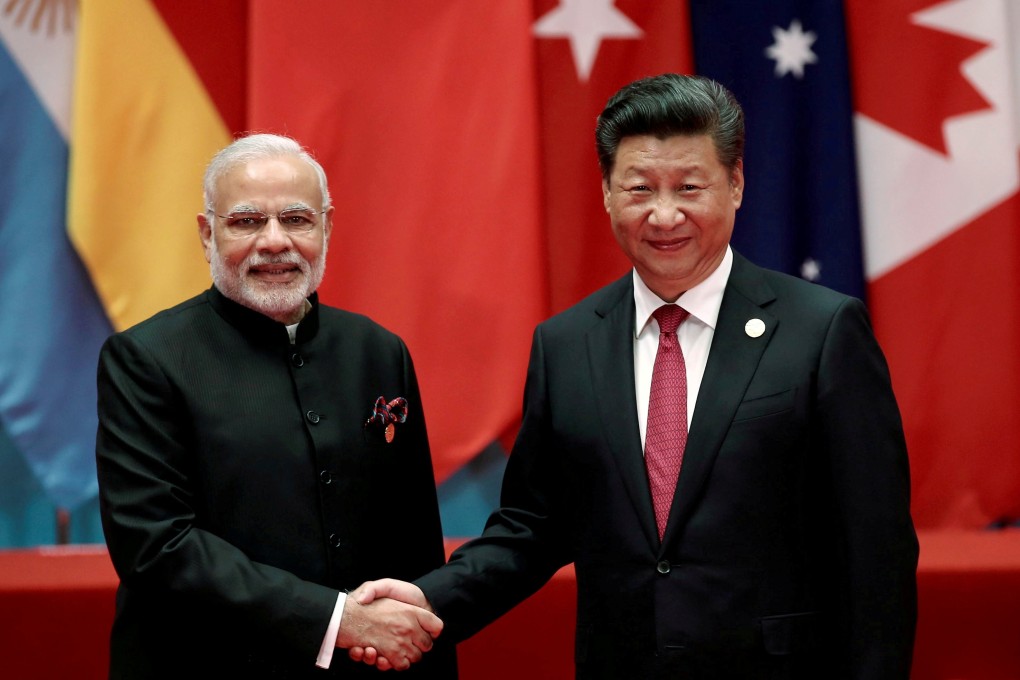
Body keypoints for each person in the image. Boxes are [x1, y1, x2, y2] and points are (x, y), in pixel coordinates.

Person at [352, 74, 919, 679]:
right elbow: (533, 527)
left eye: (690, 187)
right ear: (606, 193)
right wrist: (432, 599)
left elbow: (876, 552)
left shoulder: (822, 331)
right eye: (640, 188)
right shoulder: (566, 345)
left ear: (736, 185)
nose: (665, 214)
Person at [95, 133, 457, 678]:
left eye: (296, 219)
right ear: (206, 233)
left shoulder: (378, 352)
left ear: (326, 228)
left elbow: (415, 542)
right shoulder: (145, 359)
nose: (274, 242)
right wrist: (338, 620)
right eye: (246, 222)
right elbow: (157, 546)